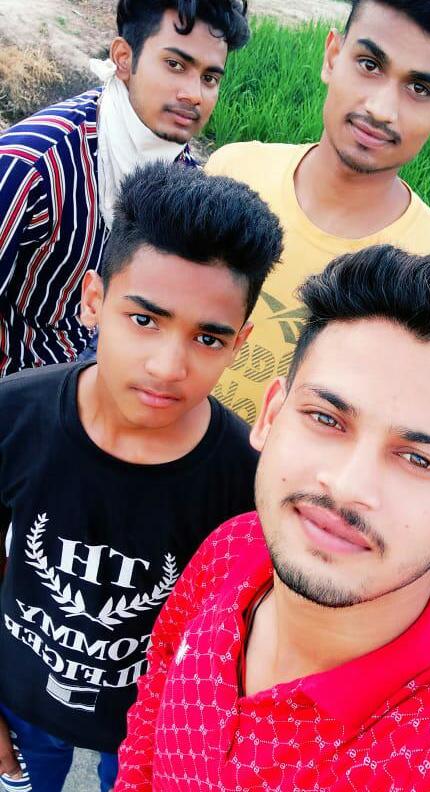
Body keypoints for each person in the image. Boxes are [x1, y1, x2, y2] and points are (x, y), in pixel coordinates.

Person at [114, 246, 430, 791]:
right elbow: (151, 711)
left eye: (419, 460)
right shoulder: (233, 547)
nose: (349, 486)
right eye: (326, 419)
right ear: (270, 416)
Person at [0, 161, 283, 791]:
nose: (167, 366)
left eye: (207, 339)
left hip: (150, 731)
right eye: (145, 320)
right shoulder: (14, 414)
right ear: (94, 300)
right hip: (18, 696)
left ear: (240, 343)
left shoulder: (247, 480)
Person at [206, 0, 430, 423]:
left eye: (419, 89)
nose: (381, 109)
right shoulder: (233, 172)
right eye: (369, 65)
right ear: (332, 56)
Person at [0, 0, 249, 376]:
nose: (194, 94)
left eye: (210, 78)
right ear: (123, 58)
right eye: (175, 65)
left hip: (100, 370)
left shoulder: (181, 179)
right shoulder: (34, 165)